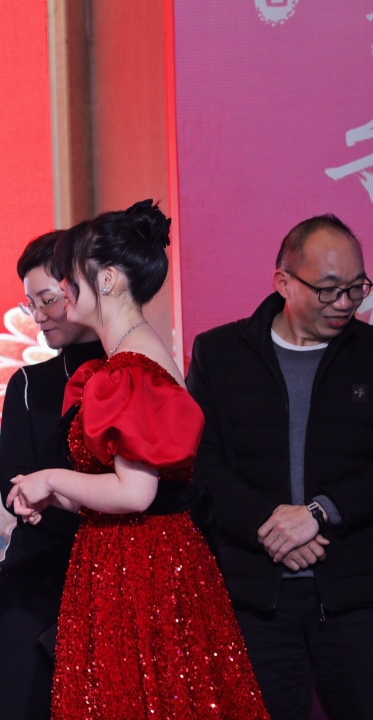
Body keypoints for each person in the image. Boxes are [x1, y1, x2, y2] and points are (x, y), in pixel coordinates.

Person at [9, 200, 269, 719]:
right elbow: (141, 488)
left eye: (69, 275)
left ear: (106, 280)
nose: (63, 288)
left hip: (139, 571)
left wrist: (50, 478)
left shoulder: (129, 369)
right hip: (138, 559)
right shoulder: (133, 357)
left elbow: (136, 493)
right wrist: (55, 495)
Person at [186, 214, 373, 720]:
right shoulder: (219, 353)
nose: (345, 303)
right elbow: (201, 465)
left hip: (356, 594)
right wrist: (273, 525)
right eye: (329, 289)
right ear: (284, 282)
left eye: (357, 288)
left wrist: (319, 512)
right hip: (255, 596)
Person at [0, 229, 103, 720]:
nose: (37, 315)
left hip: (112, 583)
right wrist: (33, 497)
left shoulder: (138, 373)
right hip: (36, 583)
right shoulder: (28, 384)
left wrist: (53, 489)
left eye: (47, 300)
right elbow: (13, 484)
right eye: (29, 302)